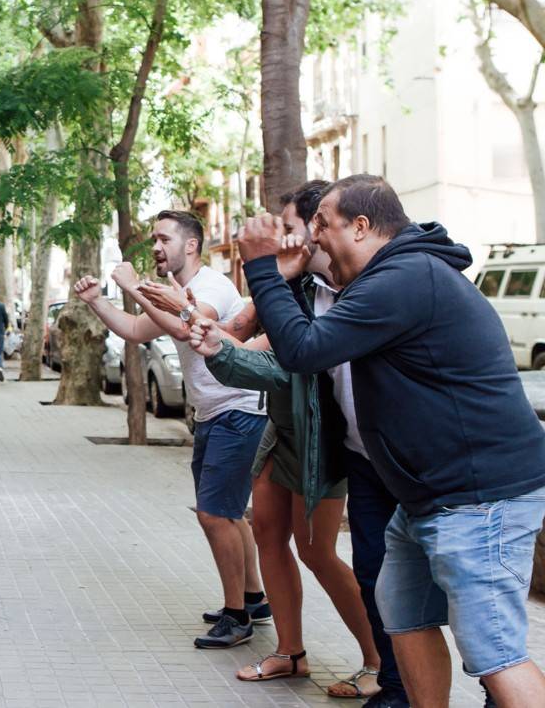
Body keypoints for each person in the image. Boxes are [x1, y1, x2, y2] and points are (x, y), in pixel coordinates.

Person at [239, 174, 545, 708]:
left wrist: (263, 265)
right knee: (404, 616)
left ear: (361, 227)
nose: (312, 239)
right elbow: (297, 342)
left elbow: (305, 349)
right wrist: (283, 279)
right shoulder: (387, 277)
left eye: (322, 225)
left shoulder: (404, 278)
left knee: (494, 653)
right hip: (427, 496)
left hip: (479, 498)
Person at [178, 181, 383, 699]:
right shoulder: (292, 288)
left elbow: (269, 362)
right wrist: (177, 311)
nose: (285, 237)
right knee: (267, 535)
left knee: (318, 553)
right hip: (281, 430)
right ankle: (290, 652)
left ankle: (377, 659)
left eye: (291, 227)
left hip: (322, 441)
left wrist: (207, 332)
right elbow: (233, 335)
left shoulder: (343, 294)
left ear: (321, 230)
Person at [73, 210, 270, 650]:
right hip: (213, 412)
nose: (156, 247)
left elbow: (187, 324)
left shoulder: (212, 287)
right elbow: (139, 330)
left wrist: (131, 288)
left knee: (214, 514)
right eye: (154, 240)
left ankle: (237, 616)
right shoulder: (182, 289)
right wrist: (99, 302)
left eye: (164, 239)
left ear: (191, 245)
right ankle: (253, 599)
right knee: (227, 512)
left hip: (237, 410)